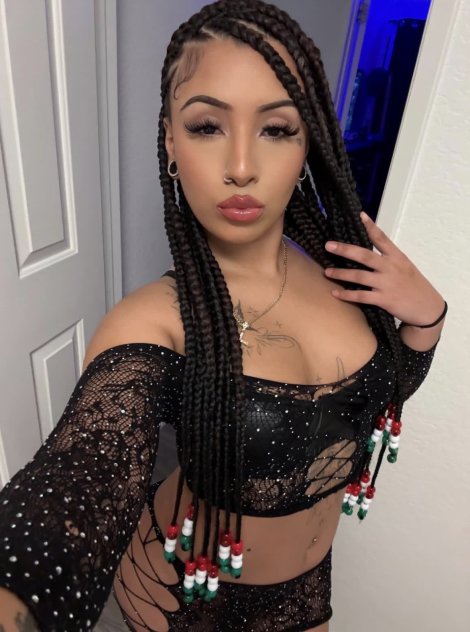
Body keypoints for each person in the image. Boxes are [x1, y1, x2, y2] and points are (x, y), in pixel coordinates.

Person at [0, 1, 446, 630]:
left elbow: (377, 400)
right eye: (208, 126)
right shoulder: (154, 321)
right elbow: (79, 479)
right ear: (170, 140)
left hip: (309, 588)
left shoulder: (347, 275)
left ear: (308, 143)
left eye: (277, 129)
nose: (241, 167)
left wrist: (427, 321)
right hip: (187, 596)